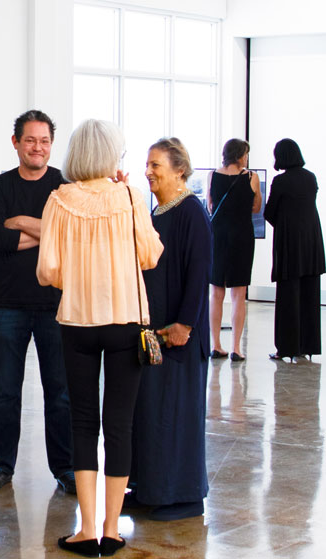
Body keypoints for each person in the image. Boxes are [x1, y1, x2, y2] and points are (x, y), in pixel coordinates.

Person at [38, 119, 163, 557]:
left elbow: (48, 271)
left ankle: (85, 529)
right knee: (120, 425)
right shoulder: (129, 195)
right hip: (126, 321)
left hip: (77, 322)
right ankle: (112, 529)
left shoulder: (58, 199)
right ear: (111, 154)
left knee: (83, 423)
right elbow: (150, 255)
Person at [0, 110, 75, 495]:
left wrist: (19, 221)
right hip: (6, 305)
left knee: (61, 392)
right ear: (16, 142)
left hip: (57, 304)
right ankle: (1, 465)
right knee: (5, 391)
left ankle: (65, 468)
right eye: (31, 140)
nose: (38, 148)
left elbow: (69, 237)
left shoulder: (65, 187)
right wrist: (48, 231)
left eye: (45, 141)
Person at [129, 137, 212, 522]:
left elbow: (199, 271)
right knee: (149, 411)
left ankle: (180, 497)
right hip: (154, 332)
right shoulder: (157, 212)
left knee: (176, 415)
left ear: (179, 170)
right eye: (147, 165)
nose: (148, 172)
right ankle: (149, 490)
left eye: (156, 165)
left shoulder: (191, 211)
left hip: (179, 334)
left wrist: (186, 324)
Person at [264, 138, 325, 361]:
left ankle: (287, 348)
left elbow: (269, 212)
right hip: (312, 244)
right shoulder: (310, 178)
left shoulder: (281, 181)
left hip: (290, 244)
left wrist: (284, 222)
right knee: (310, 295)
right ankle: (308, 345)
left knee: (288, 297)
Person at [207, 138, 262, 361]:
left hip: (218, 235)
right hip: (242, 236)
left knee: (216, 293)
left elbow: (211, 205)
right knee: (239, 294)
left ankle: (217, 345)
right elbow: (256, 207)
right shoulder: (251, 177)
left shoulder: (213, 175)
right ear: (240, 155)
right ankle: (237, 348)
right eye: (246, 154)